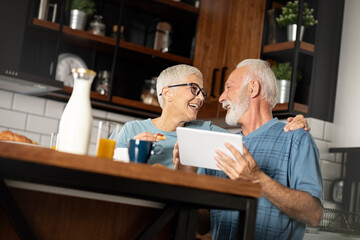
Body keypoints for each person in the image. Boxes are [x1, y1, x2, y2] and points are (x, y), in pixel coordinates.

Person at [175, 59, 323, 239]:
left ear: (253, 88)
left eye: (229, 87)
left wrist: (257, 179)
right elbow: (202, 224)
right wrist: (186, 181)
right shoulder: (218, 145)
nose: (222, 97)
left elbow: (314, 215)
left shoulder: (296, 138)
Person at [116, 64, 309, 168]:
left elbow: (251, 137)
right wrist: (132, 158)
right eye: (194, 88)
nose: (201, 97)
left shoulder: (204, 131)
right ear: (167, 93)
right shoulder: (133, 130)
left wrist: (290, 125)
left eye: (202, 92)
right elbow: (109, 177)